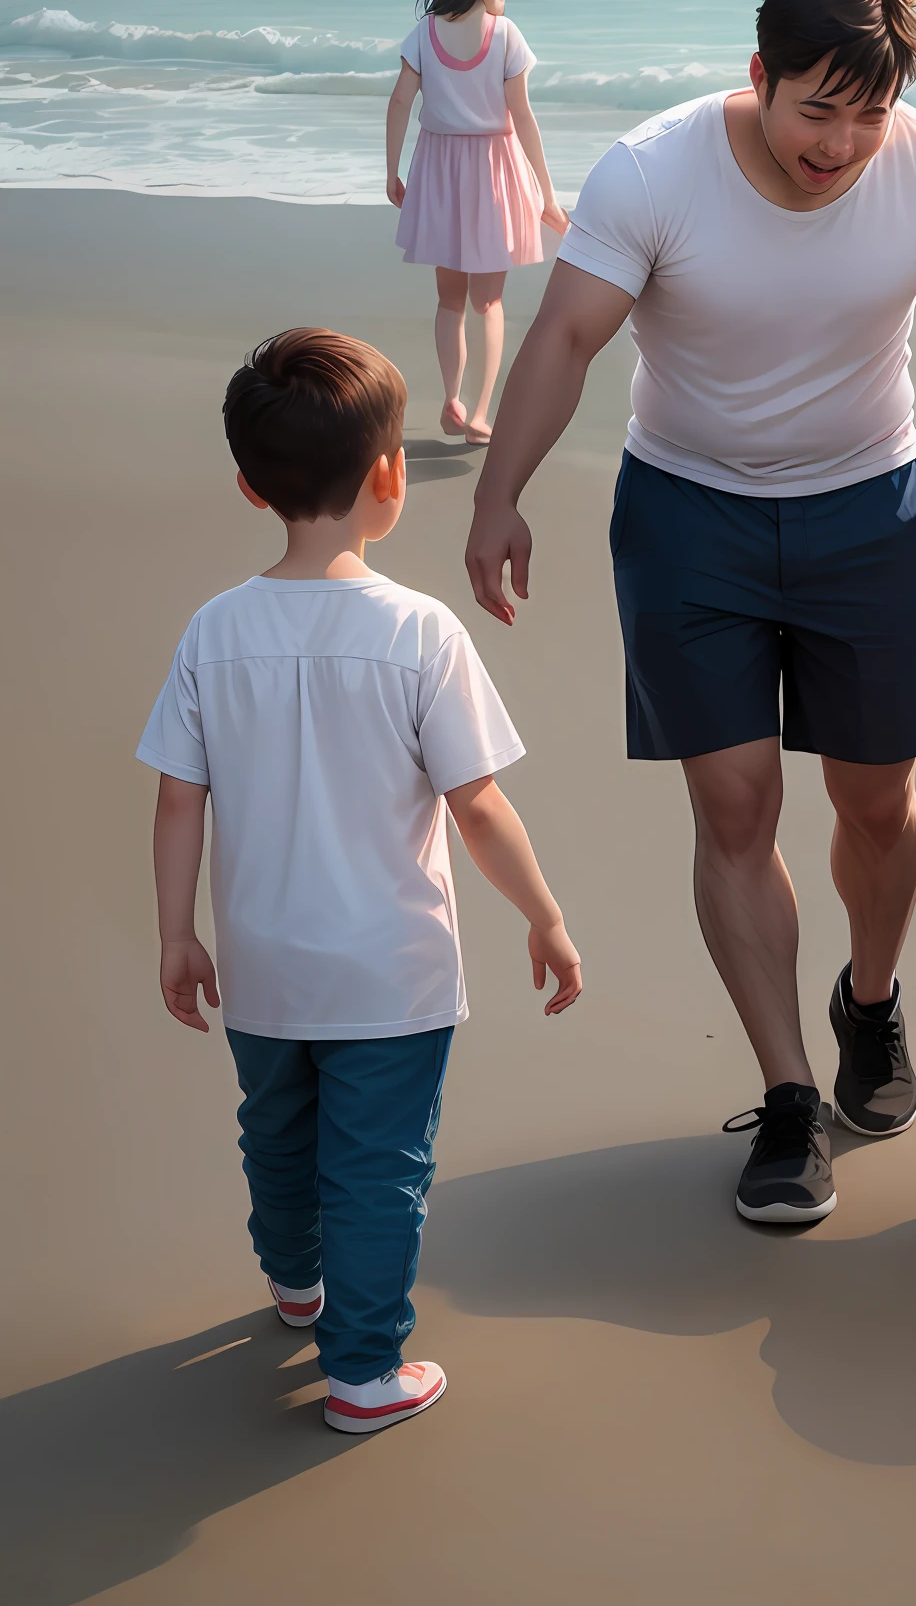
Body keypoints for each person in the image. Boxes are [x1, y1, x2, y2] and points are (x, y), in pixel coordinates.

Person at [464, 0, 916, 1225]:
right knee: (737, 805)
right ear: (757, 77)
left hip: (867, 507)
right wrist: (497, 494)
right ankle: (791, 1096)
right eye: (818, 108)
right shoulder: (654, 170)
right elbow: (567, 334)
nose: (845, 142)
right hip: (690, 516)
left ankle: (869, 998)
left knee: (877, 801)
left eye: (869, 111)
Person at [137, 328, 582, 1431]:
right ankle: (365, 1369)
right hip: (390, 971)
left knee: (276, 1131)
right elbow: (476, 804)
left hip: (263, 958)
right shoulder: (418, 632)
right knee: (380, 1167)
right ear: (390, 476)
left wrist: (175, 933)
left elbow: (178, 797)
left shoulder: (214, 630)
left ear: (249, 486)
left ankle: (295, 1284)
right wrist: (545, 913)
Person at [386, 0, 570, 446]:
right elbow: (524, 117)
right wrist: (547, 195)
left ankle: (451, 398)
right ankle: (482, 413)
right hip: (494, 171)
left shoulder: (424, 33)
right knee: (488, 303)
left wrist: (390, 170)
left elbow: (400, 102)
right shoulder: (505, 35)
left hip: (440, 169)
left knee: (450, 298)